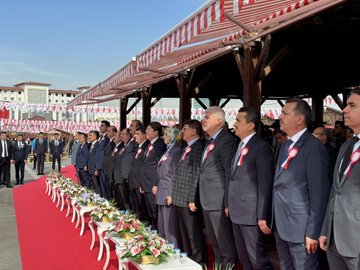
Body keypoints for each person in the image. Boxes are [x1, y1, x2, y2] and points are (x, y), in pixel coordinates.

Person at [273, 98, 330, 270]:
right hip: (282, 225)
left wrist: (313, 232)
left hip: (301, 229)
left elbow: (319, 193)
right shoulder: (286, 145)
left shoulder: (314, 147)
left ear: (300, 118)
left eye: (285, 113)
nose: (280, 117)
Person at [229, 107, 274, 270]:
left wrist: (262, 215)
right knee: (245, 258)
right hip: (237, 211)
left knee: (257, 260)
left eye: (239, 121)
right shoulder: (240, 144)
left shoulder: (261, 147)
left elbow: (265, 183)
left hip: (251, 214)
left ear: (251, 125)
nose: (234, 124)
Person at [319, 89, 360, 270]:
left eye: (352, 105)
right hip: (335, 239)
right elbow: (335, 191)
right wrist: (325, 230)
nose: (344, 110)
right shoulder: (346, 145)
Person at [199, 106, 237, 267]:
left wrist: (227, 202)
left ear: (219, 121)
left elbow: (229, 173)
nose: (203, 120)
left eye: (207, 117)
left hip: (219, 201)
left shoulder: (226, 141)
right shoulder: (210, 141)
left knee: (225, 245)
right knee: (214, 243)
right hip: (207, 200)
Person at [171, 119, 205, 264]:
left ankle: (198, 262)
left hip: (187, 198)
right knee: (184, 233)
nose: (182, 132)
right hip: (180, 196)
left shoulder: (198, 147)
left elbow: (196, 174)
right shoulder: (188, 147)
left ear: (193, 131)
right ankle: (189, 260)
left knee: (193, 235)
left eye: (185, 129)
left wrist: (192, 199)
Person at [156, 127, 183, 249]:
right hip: (162, 190)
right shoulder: (168, 151)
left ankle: (173, 250)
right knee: (162, 226)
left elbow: (175, 174)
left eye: (166, 135)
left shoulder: (176, 151)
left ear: (172, 137)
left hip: (168, 192)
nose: (163, 137)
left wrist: (171, 193)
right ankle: (164, 249)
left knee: (169, 227)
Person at [140, 122, 167, 229]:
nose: (146, 132)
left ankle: (157, 230)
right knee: (150, 210)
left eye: (149, 130)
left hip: (152, 183)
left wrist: (156, 184)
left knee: (154, 210)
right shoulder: (150, 144)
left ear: (156, 132)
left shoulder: (159, 145)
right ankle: (153, 227)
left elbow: (159, 165)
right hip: (146, 182)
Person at [128, 126, 150, 221]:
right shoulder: (138, 146)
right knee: (135, 204)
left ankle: (143, 223)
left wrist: (141, 183)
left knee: (142, 207)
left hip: (139, 182)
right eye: (135, 134)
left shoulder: (146, 147)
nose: (135, 136)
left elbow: (144, 166)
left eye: (138, 134)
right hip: (133, 181)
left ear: (145, 135)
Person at [95, 120, 111, 199]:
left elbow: (106, 152)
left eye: (102, 125)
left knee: (105, 186)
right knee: (102, 185)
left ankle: (107, 202)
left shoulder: (107, 138)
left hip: (103, 165)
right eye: (100, 125)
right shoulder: (102, 138)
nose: (100, 127)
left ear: (107, 127)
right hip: (99, 165)